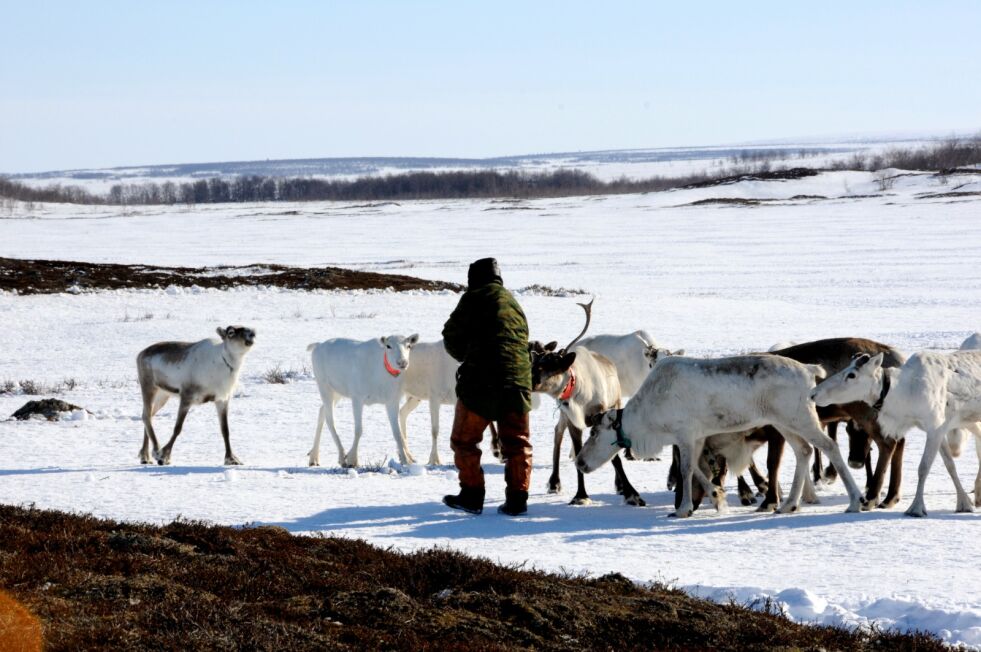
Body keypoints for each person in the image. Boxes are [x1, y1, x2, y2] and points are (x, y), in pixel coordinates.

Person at [441, 258, 533, 516]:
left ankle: (472, 495)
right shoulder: (514, 302)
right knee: (517, 442)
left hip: (481, 382)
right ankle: (517, 500)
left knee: (464, 441)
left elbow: (451, 337)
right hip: (518, 381)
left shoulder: (474, 297)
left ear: (474, 280)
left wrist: (466, 356)